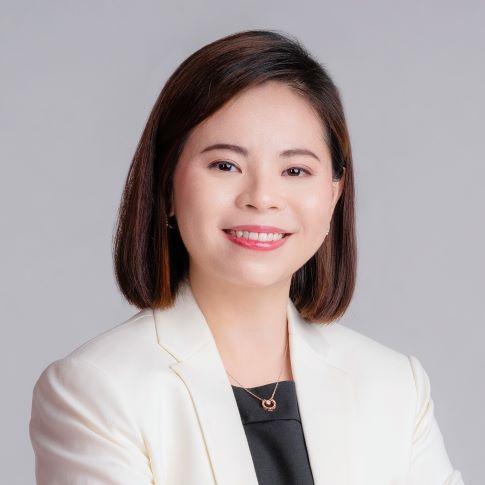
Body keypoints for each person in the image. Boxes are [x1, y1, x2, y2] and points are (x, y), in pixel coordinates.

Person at [29, 29, 465, 485]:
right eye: (226, 165)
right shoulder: (97, 389)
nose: (262, 197)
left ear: (334, 194)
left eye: (295, 170)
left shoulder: (396, 387)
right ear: (167, 186)